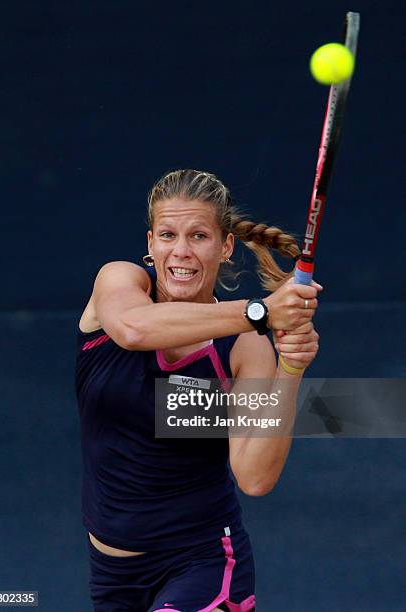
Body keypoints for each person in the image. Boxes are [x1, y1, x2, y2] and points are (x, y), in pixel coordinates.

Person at [75, 169, 321, 611]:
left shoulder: (245, 347)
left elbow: (255, 476)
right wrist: (262, 311)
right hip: (112, 576)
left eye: (200, 235)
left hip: (204, 563)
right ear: (150, 243)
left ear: (225, 246)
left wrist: (291, 368)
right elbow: (134, 330)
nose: (181, 251)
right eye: (168, 234)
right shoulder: (118, 283)